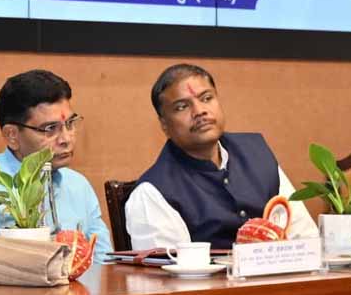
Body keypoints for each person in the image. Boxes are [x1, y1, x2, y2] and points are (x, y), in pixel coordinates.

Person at [126, 63, 318, 250]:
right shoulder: (152, 192)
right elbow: (168, 270)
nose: (199, 111)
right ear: (164, 125)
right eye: (182, 107)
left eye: (206, 98)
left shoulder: (257, 152)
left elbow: (305, 238)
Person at [0, 69, 113, 271]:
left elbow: (104, 266)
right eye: (50, 129)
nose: (66, 139)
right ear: (12, 135)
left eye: (70, 124)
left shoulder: (78, 185)